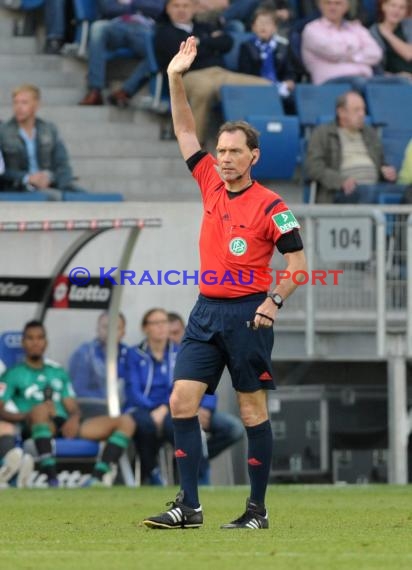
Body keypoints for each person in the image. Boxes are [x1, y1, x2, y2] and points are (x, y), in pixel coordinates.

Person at [143, 36, 307, 530]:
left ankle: (256, 511)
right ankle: (188, 506)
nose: (226, 158)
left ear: (254, 156)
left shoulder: (274, 207)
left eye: (235, 151)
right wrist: (174, 78)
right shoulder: (210, 182)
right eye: (222, 151)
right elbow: (184, 128)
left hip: (249, 314)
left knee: (253, 412)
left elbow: (298, 266)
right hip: (205, 312)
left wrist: (274, 302)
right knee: (181, 401)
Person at [0, 320, 135, 487]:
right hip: (37, 426)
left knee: (126, 422)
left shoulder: (57, 371)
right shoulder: (13, 374)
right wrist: (28, 415)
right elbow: (1, 409)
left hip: (65, 425)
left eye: (40, 338)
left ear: (46, 342)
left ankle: (98, 477)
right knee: (40, 410)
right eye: (30, 338)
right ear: (23, 342)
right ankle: (51, 477)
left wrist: (74, 418)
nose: (35, 342)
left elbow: (71, 405)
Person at [154, 0, 271, 144]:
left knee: (266, 85)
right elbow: (181, 55)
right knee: (204, 90)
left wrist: (201, 42)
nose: (181, 10)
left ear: (194, 8)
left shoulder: (204, 27)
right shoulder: (163, 32)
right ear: (168, 9)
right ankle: (194, 148)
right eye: (176, 6)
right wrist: (210, 42)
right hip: (188, 76)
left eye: (185, 6)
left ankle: (265, 141)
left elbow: (227, 42)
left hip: (220, 73)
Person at [167, 312, 244, 485]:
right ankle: (194, 463)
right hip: (175, 411)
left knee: (235, 429)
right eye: (168, 334)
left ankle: (191, 459)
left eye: (176, 333)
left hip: (201, 409)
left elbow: (209, 385)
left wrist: (206, 409)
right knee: (189, 432)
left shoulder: (195, 353)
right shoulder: (163, 358)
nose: (172, 338)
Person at [305, 90, 398, 203]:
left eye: (363, 109)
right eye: (356, 110)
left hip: (374, 186)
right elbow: (314, 168)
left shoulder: (370, 133)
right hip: (340, 191)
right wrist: (340, 181)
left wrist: (386, 172)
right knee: (367, 192)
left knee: (407, 190)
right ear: (341, 112)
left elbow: (382, 163)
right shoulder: (323, 133)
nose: (362, 114)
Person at [0, 84, 85, 200]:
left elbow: (62, 164)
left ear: (36, 105)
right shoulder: (3, 131)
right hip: (17, 188)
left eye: (24, 103)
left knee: (87, 198)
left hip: (48, 185)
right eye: (16, 102)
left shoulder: (49, 130)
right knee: (52, 197)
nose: (18, 107)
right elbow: (2, 171)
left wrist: (50, 178)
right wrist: (28, 178)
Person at [78, 0, 166, 107]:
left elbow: (158, 9)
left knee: (159, 49)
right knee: (98, 28)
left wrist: (130, 3)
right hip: (116, 25)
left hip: (144, 29)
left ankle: (125, 91)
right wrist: (139, 6)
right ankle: (95, 90)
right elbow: (107, 8)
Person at [301, 0, 382, 85]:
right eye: (328, 3)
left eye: (338, 3)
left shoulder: (356, 28)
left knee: (395, 83)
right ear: (320, 6)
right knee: (364, 84)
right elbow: (333, 52)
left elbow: (376, 53)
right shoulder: (312, 29)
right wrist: (359, 51)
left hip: (365, 79)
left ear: (346, 7)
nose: (332, 7)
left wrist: (353, 57)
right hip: (330, 82)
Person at [68, 312, 129, 417]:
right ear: (97, 329)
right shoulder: (84, 354)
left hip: (123, 410)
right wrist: (108, 399)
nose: (110, 332)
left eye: (116, 328)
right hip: (91, 409)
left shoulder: (130, 354)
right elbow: (78, 390)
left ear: (123, 332)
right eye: (105, 327)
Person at [238, 6, 297, 111]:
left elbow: (289, 70)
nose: (263, 26)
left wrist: (289, 80)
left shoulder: (283, 46)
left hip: (279, 87)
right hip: (255, 87)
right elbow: (244, 72)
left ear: (275, 28)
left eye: (267, 23)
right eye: (260, 23)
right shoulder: (246, 46)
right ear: (253, 27)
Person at [369, 0, 412, 80]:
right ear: (384, 7)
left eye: (402, 8)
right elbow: (376, 68)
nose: (396, 11)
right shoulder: (373, 32)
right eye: (393, 6)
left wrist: (387, 34)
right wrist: (397, 77)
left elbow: (409, 54)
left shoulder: (409, 26)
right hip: (391, 81)